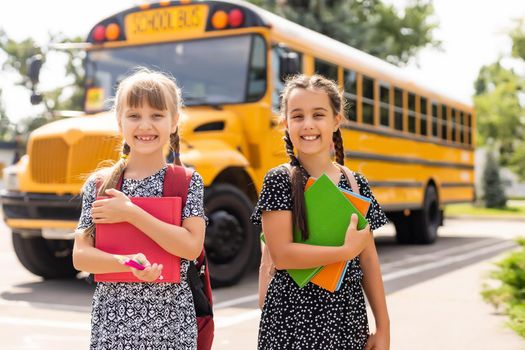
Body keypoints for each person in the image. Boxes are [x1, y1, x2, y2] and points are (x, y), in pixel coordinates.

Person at [251, 74, 390, 350]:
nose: (308, 125)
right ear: (285, 122)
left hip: (346, 320)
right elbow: (283, 255)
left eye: (318, 114)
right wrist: (343, 252)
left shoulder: (355, 184)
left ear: (336, 120)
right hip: (289, 323)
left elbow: (369, 260)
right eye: (298, 116)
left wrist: (383, 328)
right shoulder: (279, 180)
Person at [73, 68, 206, 350]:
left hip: (173, 327)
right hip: (112, 326)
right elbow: (81, 256)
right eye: (134, 116)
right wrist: (128, 263)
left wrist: (131, 212)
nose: (145, 125)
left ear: (174, 121)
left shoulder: (187, 181)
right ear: (119, 123)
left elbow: (191, 247)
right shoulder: (100, 184)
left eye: (156, 115)